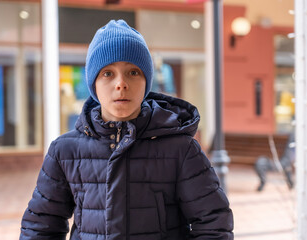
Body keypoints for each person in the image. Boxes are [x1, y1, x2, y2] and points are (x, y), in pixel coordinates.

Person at [20, 19, 233, 240]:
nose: (121, 83)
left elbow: (213, 225)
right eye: (107, 73)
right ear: (93, 83)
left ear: (146, 81)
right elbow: (40, 226)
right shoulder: (64, 151)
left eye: (133, 72)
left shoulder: (181, 149)